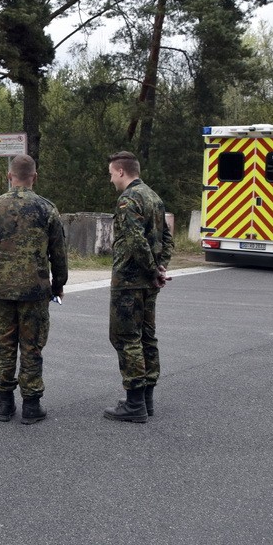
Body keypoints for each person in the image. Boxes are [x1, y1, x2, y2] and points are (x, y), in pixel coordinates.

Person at [0, 154, 68, 425]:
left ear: (9, 176)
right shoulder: (46, 209)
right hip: (35, 291)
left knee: (3, 345)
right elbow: (58, 254)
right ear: (34, 177)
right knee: (32, 346)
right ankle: (31, 405)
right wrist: (57, 285)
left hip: (1, 291)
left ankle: (5, 403)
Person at [103, 150, 173, 424]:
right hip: (149, 283)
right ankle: (146, 399)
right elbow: (167, 237)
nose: (111, 180)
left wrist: (152, 269)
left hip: (129, 282)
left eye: (111, 174)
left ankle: (134, 404)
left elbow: (134, 241)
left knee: (125, 338)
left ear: (121, 171)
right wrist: (160, 267)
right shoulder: (153, 196)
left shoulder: (128, 199)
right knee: (147, 337)